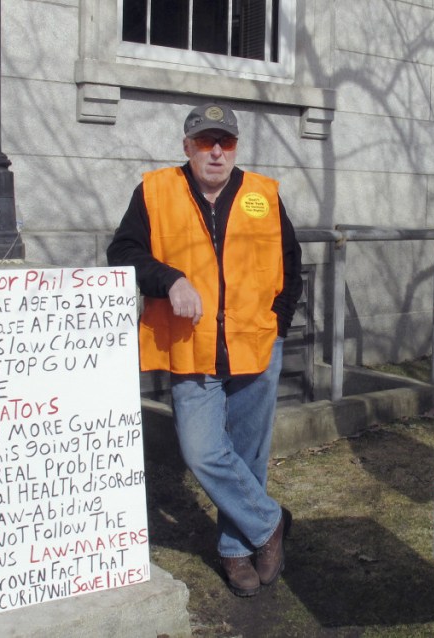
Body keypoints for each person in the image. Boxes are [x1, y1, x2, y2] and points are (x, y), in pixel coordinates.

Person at [107, 102, 302, 597]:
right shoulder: (155, 192)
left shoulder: (263, 194)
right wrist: (168, 279)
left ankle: (237, 550)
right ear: (187, 146)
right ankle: (269, 522)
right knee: (202, 451)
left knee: (249, 454)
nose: (216, 152)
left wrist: (278, 323)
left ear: (235, 147)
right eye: (205, 141)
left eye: (227, 142)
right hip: (191, 347)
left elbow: (290, 264)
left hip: (256, 344)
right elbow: (123, 254)